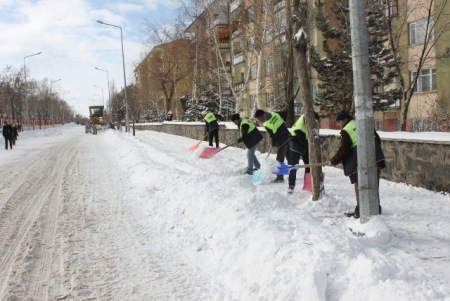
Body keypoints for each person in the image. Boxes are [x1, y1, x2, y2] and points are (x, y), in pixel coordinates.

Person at [329, 110, 385, 218]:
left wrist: (334, 160)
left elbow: (344, 149)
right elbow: (377, 138)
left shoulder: (346, 130)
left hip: (359, 162)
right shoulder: (362, 123)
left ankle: (360, 211)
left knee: (360, 186)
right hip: (375, 158)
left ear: (345, 120)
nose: (338, 125)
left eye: (339, 122)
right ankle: (375, 208)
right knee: (373, 184)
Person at [254, 109, 290, 183]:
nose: (258, 120)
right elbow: (284, 113)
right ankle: (292, 175)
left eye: (258, 118)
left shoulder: (266, 124)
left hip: (281, 141)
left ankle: (280, 178)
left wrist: (273, 143)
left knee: (279, 160)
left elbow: (272, 135)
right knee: (290, 158)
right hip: (288, 136)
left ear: (261, 116)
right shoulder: (274, 114)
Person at [288, 112, 320, 194]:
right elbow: (302, 140)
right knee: (294, 166)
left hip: (304, 142)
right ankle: (291, 186)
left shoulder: (307, 117)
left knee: (308, 164)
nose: (314, 123)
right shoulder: (300, 127)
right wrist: (310, 145)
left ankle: (308, 184)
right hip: (295, 143)